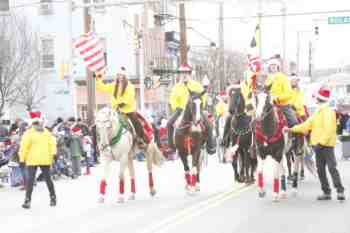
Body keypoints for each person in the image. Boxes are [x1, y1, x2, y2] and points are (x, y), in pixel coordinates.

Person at [285, 87, 345, 201]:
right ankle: (326, 192)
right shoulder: (318, 112)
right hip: (318, 146)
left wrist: (320, 143)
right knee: (321, 170)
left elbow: (329, 130)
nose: (314, 99)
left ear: (319, 98)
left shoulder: (328, 112)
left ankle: (340, 191)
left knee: (332, 168)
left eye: (316, 97)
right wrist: (290, 129)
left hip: (326, 146)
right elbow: (306, 125)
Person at [167, 64, 216, 154]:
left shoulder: (197, 85)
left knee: (208, 124)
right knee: (169, 123)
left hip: (195, 109)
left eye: (186, 73)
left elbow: (203, 96)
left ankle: (211, 146)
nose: (184, 75)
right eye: (182, 73)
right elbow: (172, 99)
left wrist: (200, 106)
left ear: (189, 74)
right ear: (180, 75)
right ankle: (171, 147)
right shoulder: (176, 87)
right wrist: (176, 107)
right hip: (181, 110)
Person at [96, 67, 148, 144]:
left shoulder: (129, 86)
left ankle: (140, 138)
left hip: (127, 110)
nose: (119, 76)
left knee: (135, 122)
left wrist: (119, 106)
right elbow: (103, 88)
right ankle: (103, 142)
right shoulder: (114, 85)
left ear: (124, 76)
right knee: (103, 122)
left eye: (121, 75)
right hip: (115, 111)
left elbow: (128, 98)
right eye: (118, 75)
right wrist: (98, 78)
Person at [19, 111, 57, 209]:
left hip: (45, 159)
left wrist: (53, 155)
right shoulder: (28, 133)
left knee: (48, 179)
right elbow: (24, 147)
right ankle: (27, 200)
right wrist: (22, 159)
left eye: (38, 123)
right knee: (30, 180)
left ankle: (53, 197)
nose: (37, 125)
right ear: (32, 124)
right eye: (35, 123)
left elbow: (52, 145)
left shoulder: (47, 133)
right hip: (32, 159)